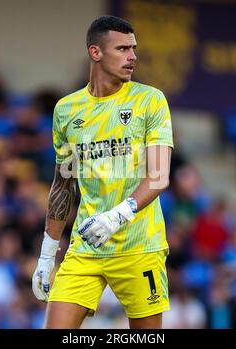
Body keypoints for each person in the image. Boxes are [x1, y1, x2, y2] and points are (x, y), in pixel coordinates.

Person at [32, 15, 174, 329]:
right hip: (87, 245)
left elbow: (160, 175)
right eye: (123, 49)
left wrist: (118, 215)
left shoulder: (150, 100)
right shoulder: (67, 110)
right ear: (96, 53)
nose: (133, 56)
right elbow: (62, 184)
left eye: (134, 48)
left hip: (139, 246)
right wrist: (47, 255)